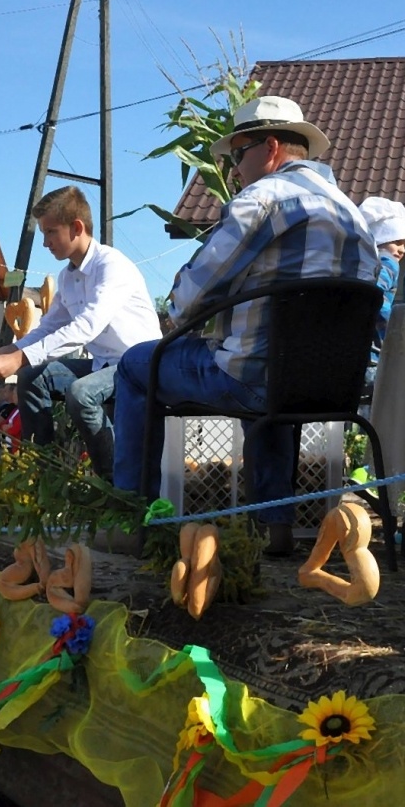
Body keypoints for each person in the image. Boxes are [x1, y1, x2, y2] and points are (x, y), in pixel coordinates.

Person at [113, 95, 378, 554]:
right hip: (332, 388)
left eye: (237, 155)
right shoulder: (353, 214)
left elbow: (193, 294)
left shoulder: (263, 200)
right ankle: (275, 527)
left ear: (270, 147)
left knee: (137, 365)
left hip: (253, 378)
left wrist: (178, 306)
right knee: (274, 374)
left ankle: (130, 520)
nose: (234, 170)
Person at [0, 186, 161, 477]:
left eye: (50, 232)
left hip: (140, 365)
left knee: (81, 393)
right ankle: (44, 474)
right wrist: (6, 351)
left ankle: (111, 481)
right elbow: (49, 326)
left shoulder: (112, 266)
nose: (45, 242)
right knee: (32, 376)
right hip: (104, 365)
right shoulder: (67, 277)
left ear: (77, 228)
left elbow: (86, 326)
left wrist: (20, 357)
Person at [357, 196, 405, 377]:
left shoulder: (360, 263)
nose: (402, 250)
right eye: (397, 242)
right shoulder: (387, 262)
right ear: (380, 238)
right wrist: (396, 328)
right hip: (374, 350)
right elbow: (375, 297)